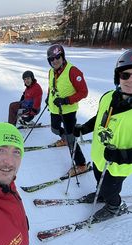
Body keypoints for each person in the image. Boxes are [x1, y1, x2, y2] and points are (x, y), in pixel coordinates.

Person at [73, 48, 132, 221]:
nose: (130, 80)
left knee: (111, 189)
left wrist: (122, 155)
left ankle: (113, 206)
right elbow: (102, 118)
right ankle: (101, 194)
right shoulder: (109, 97)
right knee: (99, 181)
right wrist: (84, 128)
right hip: (99, 157)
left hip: (118, 166)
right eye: (124, 75)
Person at [45, 44, 89, 175]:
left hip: (68, 111)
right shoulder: (51, 71)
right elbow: (50, 86)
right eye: (52, 59)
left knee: (71, 138)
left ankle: (81, 165)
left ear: (63, 56)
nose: (55, 60)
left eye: (58, 57)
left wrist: (66, 100)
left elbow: (83, 92)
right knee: (54, 129)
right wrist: (48, 97)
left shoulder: (73, 71)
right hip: (55, 108)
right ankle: (64, 139)